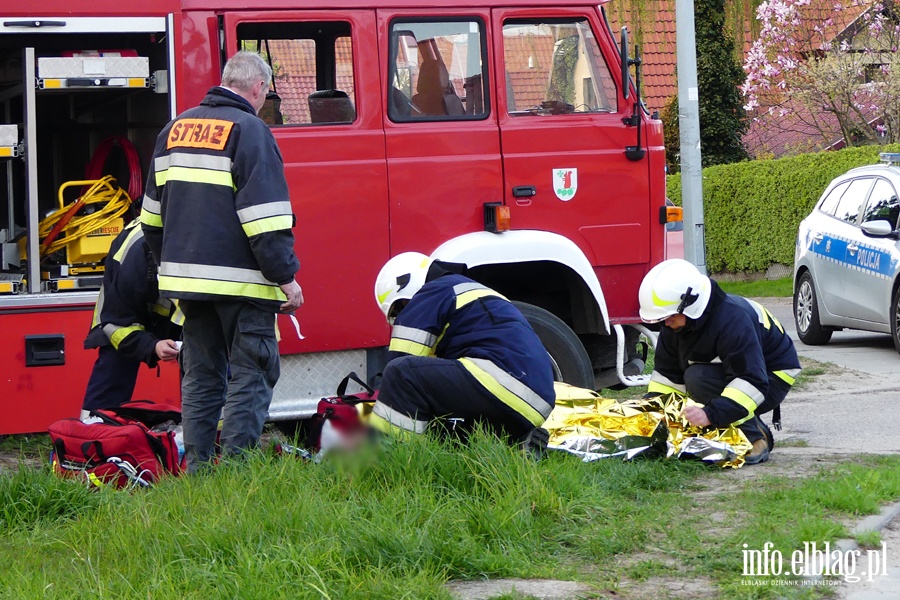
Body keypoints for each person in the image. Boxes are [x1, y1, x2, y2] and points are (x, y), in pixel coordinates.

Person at [140, 51, 303, 472]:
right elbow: (265, 218)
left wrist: (171, 268)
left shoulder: (174, 129)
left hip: (189, 286)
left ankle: (196, 469)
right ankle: (234, 471)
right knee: (252, 372)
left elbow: (151, 218)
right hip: (244, 286)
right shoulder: (251, 130)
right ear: (258, 88)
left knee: (201, 377)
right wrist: (285, 277)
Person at [370, 252, 554, 450]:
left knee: (401, 373)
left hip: (498, 379)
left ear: (407, 286)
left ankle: (387, 454)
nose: (403, 315)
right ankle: (516, 444)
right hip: (534, 398)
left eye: (400, 309)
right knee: (438, 412)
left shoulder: (431, 292)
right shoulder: (471, 292)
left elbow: (401, 361)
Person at [638, 259, 801, 464]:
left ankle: (754, 437)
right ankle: (729, 427)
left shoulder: (732, 319)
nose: (665, 323)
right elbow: (668, 378)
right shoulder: (677, 324)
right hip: (740, 372)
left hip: (770, 377)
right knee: (696, 381)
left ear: (691, 304)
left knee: (698, 378)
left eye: (669, 316)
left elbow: (750, 381)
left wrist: (710, 414)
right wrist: (652, 411)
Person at [82, 220, 183, 418]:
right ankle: (92, 435)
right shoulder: (138, 257)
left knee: (206, 362)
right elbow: (117, 325)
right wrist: (153, 346)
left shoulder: (202, 243)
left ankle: (209, 435)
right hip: (121, 318)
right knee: (115, 361)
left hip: (181, 311)